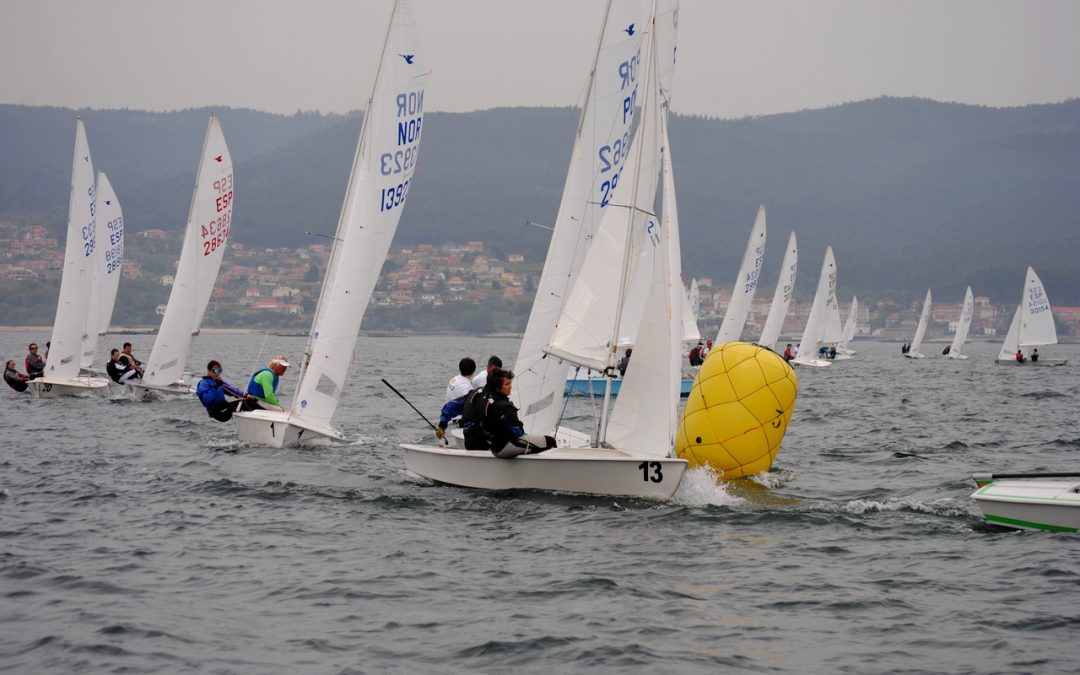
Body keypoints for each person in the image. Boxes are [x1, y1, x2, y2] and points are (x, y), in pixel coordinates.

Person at [479, 369, 556, 459]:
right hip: (505, 448)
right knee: (550, 442)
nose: (510, 386)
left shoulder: (487, 399)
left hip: (494, 448)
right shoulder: (503, 406)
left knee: (530, 442)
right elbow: (518, 431)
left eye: (510, 383)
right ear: (497, 387)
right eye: (506, 384)